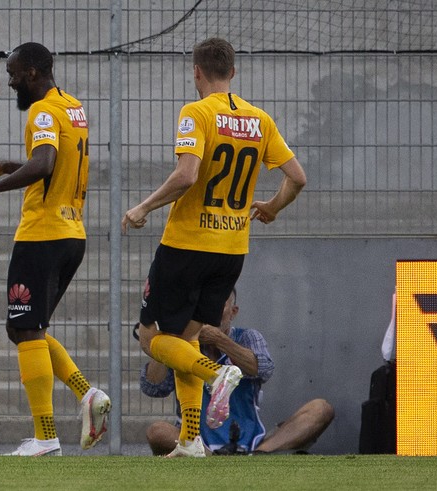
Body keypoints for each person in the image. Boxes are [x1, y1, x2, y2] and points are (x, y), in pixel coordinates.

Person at [121, 37, 307, 458]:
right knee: (186, 338)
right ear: (233, 73)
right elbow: (297, 177)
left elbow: (187, 175)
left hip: (187, 244)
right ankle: (190, 439)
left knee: (151, 337)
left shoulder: (196, 112)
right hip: (231, 249)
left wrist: (143, 206)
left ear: (197, 72)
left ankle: (214, 375)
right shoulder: (259, 120)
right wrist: (272, 208)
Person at [0, 42, 111, 456]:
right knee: (25, 328)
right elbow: (54, 163)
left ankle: (45, 436)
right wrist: (9, 166)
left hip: (42, 234)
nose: (9, 82)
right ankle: (87, 395)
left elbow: (44, 165)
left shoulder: (43, 111)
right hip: (71, 233)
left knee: (25, 329)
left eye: (12, 74)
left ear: (31, 73)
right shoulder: (72, 107)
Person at [138, 288, 335, 455]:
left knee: (321, 408)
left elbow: (263, 369)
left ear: (233, 312)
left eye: (218, 305)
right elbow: (153, 388)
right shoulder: (181, 345)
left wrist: (219, 340)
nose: (209, 311)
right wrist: (166, 340)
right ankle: (208, 457)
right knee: (157, 431)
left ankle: (260, 455)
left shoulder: (247, 337)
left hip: (253, 441)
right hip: (197, 441)